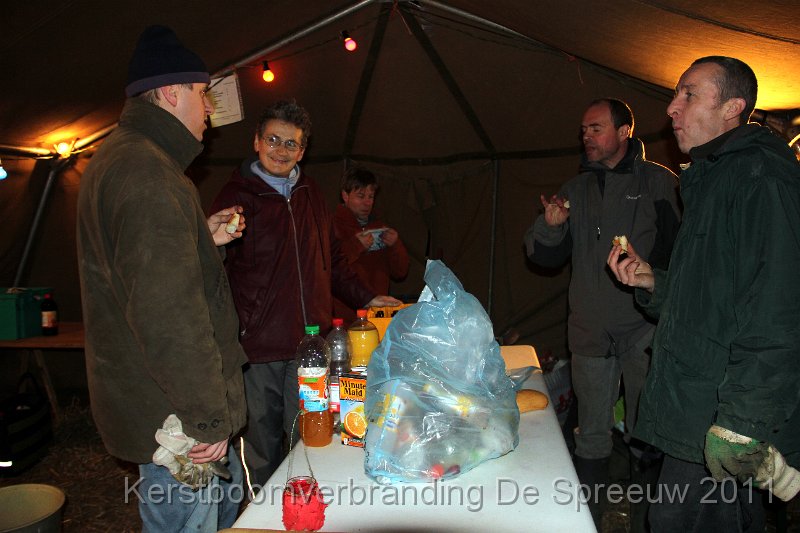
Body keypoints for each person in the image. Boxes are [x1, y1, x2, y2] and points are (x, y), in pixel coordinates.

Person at [608, 56, 800, 531]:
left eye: (688, 94)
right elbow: (718, 294)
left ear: (733, 107)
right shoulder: (713, 177)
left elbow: (779, 310)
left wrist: (742, 424)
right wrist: (655, 280)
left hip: (723, 411)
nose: (671, 108)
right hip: (699, 403)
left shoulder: (761, 178)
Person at [76, 26, 248, 532]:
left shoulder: (121, 158)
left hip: (153, 401)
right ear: (172, 92)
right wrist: (206, 420)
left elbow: (132, 269)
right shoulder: (149, 175)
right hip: (175, 422)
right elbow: (168, 315)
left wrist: (202, 238)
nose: (209, 109)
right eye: (202, 95)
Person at [210, 100, 401, 488]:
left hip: (311, 344)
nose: (281, 151)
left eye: (291, 144)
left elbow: (331, 259)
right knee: (261, 446)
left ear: (304, 149)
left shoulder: (312, 193)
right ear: (257, 141)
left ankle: (308, 507)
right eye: (273, 140)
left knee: (312, 434)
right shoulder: (236, 196)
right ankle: (264, 515)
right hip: (258, 347)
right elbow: (211, 267)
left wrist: (366, 297)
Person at [524, 98, 681, 529]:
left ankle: (647, 521)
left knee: (645, 434)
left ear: (624, 130)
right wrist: (551, 226)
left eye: (595, 128)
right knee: (590, 435)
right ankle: (586, 521)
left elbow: (682, 255)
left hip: (644, 330)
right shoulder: (575, 190)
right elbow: (544, 258)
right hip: (590, 333)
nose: (586, 136)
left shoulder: (658, 184)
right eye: (583, 130)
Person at [333, 167, 410, 323]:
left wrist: (395, 245)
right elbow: (327, 268)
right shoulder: (331, 226)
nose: (367, 202)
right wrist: (356, 245)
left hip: (378, 317)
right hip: (344, 321)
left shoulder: (381, 228)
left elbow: (400, 272)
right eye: (360, 196)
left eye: (371, 196)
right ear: (345, 195)